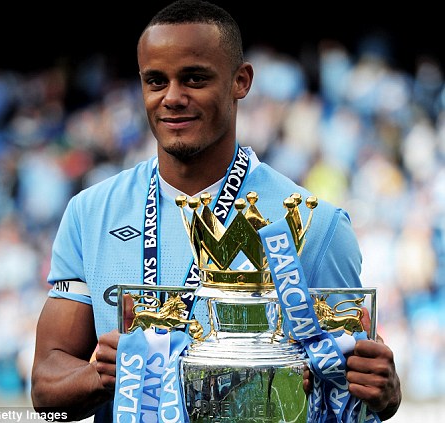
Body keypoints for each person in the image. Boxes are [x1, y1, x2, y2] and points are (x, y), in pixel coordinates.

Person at [30, 0, 402, 421]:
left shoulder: (318, 224)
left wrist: (385, 393)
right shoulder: (90, 213)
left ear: (240, 81)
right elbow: (46, 388)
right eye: (156, 81)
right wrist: (109, 375)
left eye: (194, 78)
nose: (172, 97)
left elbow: (359, 382)